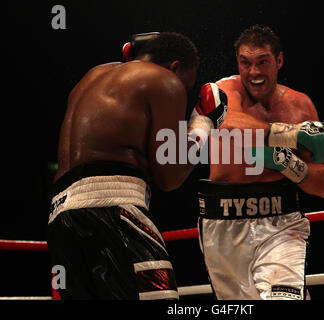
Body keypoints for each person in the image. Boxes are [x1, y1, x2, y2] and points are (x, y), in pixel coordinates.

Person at [47, 32, 227, 300]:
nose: (180, 92)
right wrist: (203, 123)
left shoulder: (93, 75)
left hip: (61, 217)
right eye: (184, 86)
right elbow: (170, 175)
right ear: (175, 67)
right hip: (114, 210)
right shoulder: (164, 80)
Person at [197, 25, 324, 300]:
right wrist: (293, 135)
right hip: (223, 225)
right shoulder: (223, 92)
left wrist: (286, 163)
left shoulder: (301, 106)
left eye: (262, 62)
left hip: (282, 223)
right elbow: (229, 127)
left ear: (279, 61)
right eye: (245, 63)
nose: (254, 72)